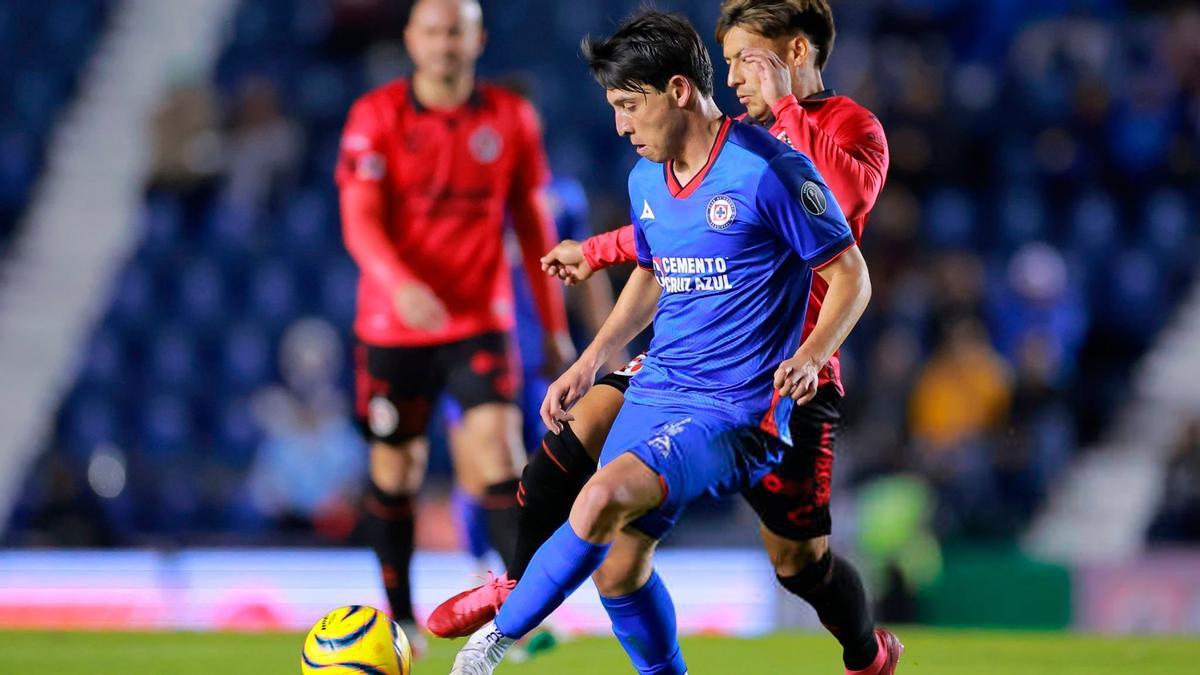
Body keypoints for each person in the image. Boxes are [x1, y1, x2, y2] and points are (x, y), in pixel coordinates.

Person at [434, 2, 899, 673]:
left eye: (747, 60)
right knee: (601, 532)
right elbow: (666, 252)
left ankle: (866, 653)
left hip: (769, 384)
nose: (735, 77)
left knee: (798, 563)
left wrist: (811, 353)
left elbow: (845, 231)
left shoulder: (795, 153)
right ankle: (517, 586)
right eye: (729, 61)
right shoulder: (653, 171)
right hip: (670, 372)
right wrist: (591, 355)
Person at [335, 0, 572, 642]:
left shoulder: (510, 117)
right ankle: (401, 617)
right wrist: (400, 284)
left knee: (499, 452)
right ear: (411, 39)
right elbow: (359, 221)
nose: (444, 44)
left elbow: (533, 224)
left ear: (478, 39)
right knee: (396, 471)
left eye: (456, 32)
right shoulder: (375, 116)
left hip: (478, 320)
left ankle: (515, 617)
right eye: (433, 32)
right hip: (392, 325)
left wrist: (553, 325)